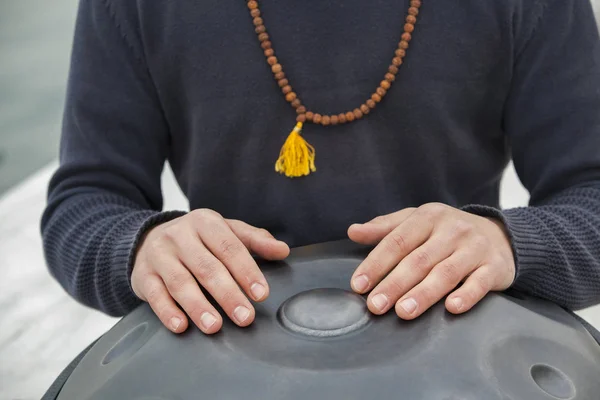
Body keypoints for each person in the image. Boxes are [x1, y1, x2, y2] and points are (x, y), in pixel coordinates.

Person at [41, 0, 600, 335]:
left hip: (459, 344)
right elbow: (87, 201)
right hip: (228, 343)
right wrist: (142, 248)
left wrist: (505, 242)